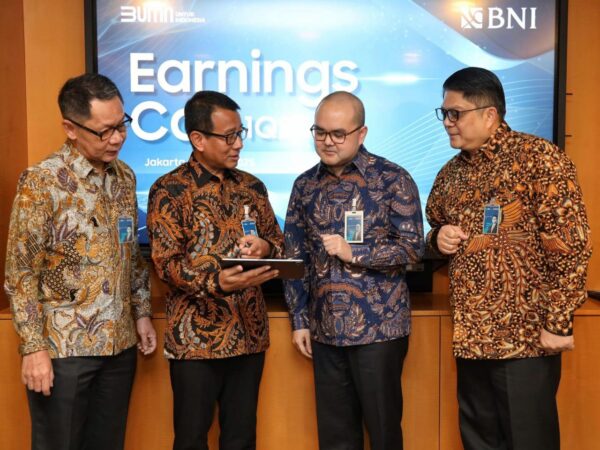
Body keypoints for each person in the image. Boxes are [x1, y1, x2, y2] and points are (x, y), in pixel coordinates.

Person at [426, 67, 592, 450]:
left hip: (527, 340)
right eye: (444, 113)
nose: (447, 122)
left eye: (456, 113)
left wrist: (558, 323)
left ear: (489, 115)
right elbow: (434, 227)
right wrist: (438, 238)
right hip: (471, 339)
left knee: (529, 440)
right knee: (479, 442)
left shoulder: (538, 159)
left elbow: (571, 245)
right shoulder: (450, 174)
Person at [4, 73, 156, 450]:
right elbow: (20, 273)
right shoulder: (41, 182)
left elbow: (130, 253)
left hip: (119, 346)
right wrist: (33, 348)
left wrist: (141, 313)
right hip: (63, 351)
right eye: (105, 131)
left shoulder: (124, 177)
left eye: (122, 125)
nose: (117, 138)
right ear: (71, 128)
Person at [284, 91, 425, 450]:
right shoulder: (304, 185)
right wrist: (300, 320)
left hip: (379, 330)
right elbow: (295, 257)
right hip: (324, 332)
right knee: (335, 438)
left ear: (361, 134)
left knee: (383, 432)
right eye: (319, 132)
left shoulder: (393, 179)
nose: (327, 141)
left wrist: (355, 252)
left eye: (338, 133)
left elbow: (413, 247)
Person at [146, 91, 284, 450]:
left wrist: (266, 248)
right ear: (198, 139)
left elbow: (279, 244)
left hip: (248, 335)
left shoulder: (252, 186)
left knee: (241, 439)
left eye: (240, 133)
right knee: (191, 440)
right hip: (195, 342)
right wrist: (217, 282)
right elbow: (167, 264)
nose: (238, 144)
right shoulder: (169, 190)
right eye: (229, 136)